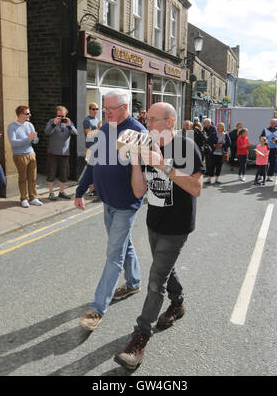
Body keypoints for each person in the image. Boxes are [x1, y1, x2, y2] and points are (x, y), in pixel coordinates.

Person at [114, 102, 204, 371]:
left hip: (177, 226)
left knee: (155, 280)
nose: (146, 122)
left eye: (152, 119)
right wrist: (135, 163)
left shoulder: (187, 147)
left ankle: (138, 340)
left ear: (169, 122)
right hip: (155, 221)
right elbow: (140, 192)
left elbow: (197, 188)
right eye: (146, 118)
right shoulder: (144, 147)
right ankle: (177, 303)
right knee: (165, 270)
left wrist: (165, 166)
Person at [74, 89, 146, 331]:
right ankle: (134, 282)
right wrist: (79, 190)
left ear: (125, 108)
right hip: (108, 203)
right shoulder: (104, 129)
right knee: (124, 244)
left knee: (114, 254)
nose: (106, 113)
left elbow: (146, 170)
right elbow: (93, 163)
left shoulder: (138, 131)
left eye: (111, 109)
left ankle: (97, 309)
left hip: (127, 205)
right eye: (104, 109)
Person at [7, 106, 43, 208]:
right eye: (27, 113)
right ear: (21, 115)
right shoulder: (12, 126)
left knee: (33, 178)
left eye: (29, 113)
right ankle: (23, 199)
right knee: (23, 178)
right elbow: (13, 143)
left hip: (31, 153)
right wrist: (28, 139)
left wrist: (34, 139)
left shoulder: (30, 125)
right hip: (19, 155)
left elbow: (36, 141)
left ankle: (33, 198)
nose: (29, 115)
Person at [45, 106, 78, 201]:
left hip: (64, 153)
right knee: (51, 173)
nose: (61, 118)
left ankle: (61, 192)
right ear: (56, 114)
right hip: (53, 152)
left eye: (62, 116)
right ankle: (51, 193)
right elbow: (47, 132)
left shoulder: (68, 122)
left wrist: (69, 125)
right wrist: (54, 124)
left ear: (65, 115)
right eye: (59, 116)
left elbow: (76, 133)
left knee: (63, 174)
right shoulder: (52, 121)